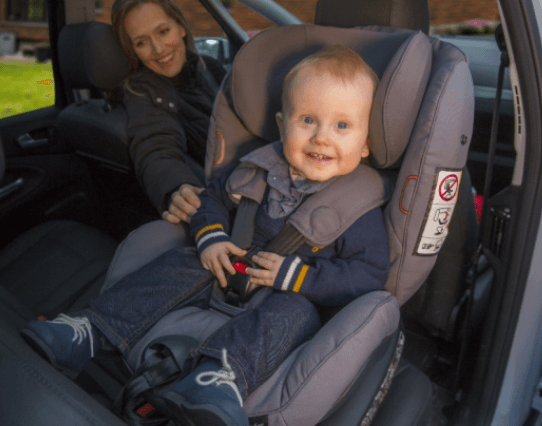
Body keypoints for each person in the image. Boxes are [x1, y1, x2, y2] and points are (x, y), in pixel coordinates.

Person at [22, 45, 389, 426]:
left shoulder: (358, 208)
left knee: (298, 315)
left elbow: (368, 274)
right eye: (308, 120)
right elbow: (211, 200)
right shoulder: (257, 168)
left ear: (365, 143)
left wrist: (298, 278)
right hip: (226, 268)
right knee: (182, 261)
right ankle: (91, 330)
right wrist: (211, 238)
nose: (321, 138)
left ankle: (218, 377)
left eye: (342, 126)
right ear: (282, 125)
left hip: (289, 293)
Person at [112, 0, 225, 222]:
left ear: (180, 27)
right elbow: (154, 147)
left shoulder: (209, 66)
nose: (158, 49)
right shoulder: (143, 91)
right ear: (133, 51)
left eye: (163, 31)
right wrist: (176, 187)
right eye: (141, 42)